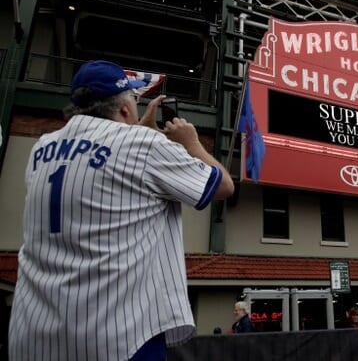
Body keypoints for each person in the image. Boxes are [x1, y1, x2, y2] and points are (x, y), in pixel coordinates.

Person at [8, 60, 234, 361]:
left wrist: (138, 134)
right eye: (134, 100)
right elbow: (224, 186)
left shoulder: (42, 147)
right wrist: (191, 144)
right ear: (126, 110)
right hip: (118, 338)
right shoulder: (145, 144)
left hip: (34, 337)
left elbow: (106, 157)